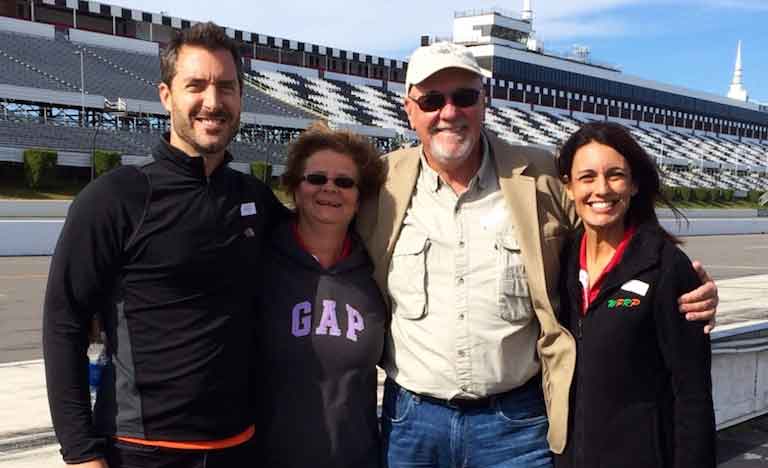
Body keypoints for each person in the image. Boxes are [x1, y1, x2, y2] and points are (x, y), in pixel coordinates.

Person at [355, 41, 719, 467]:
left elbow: (609, 232)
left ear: (484, 103)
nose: (449, 112)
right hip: (413, 423)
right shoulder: (379, 183)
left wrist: (677, 284)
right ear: (409, 109)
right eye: (432, 100)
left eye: (465, 97)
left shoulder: (539, 175)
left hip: (516, 425)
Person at [43, 22, 285, 468]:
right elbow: (64, 323)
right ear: (166, 95)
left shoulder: (255, 199)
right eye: (196, 85)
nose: (213, 102)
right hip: (142, 451)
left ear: (240, 99)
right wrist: (79, 453)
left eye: (226, 87)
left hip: (243, 447)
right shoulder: (115, 198)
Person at [554, 121, 716, 467]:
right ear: (568, 187)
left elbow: (693, 396)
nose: (602, 189)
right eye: (587, 177)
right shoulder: (560, 262)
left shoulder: (666, 266)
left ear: (634, 184)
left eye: (615, 175)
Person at [254, 121, 387, 468]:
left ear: (360, 199)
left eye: (344, 182)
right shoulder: (259, 263)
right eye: (316, 179)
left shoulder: (377, 273)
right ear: (295, 190)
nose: (330, 188)